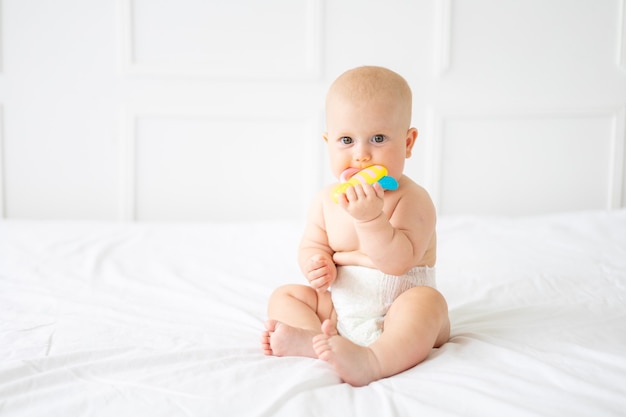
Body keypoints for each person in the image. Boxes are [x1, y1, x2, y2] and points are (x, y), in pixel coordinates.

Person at [260, 66, 450, 387]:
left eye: (378, 138)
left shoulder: (412, 199)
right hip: (340, 309)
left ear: (408, 142)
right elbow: (313, 244)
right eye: (346, 140)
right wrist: (316, 264)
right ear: (328, 142)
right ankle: (314, 340)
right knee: (286, 295)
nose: (361, 155)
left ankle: (373, 360)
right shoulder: (325, 200)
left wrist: (371, 219)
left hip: (397, 310)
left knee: (428, 305)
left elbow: (397, 264)